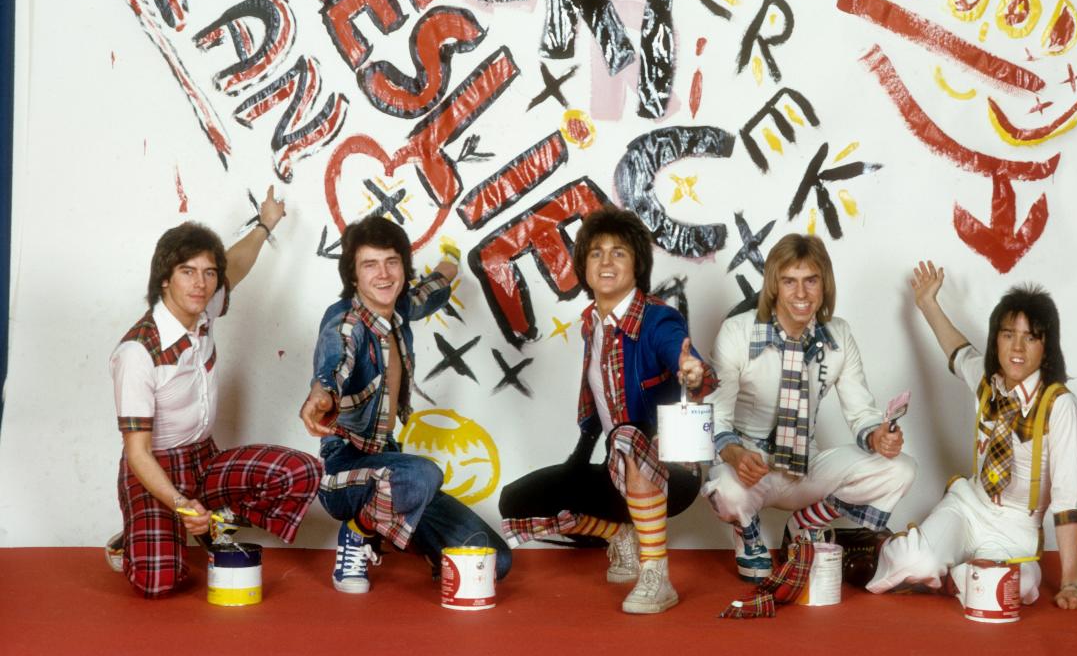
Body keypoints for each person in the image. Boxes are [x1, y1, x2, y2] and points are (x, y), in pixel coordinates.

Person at [108, 188, 323, 598]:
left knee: (301, 471)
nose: (201, 283)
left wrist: (266, 223)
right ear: (165, 279)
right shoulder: (138, 351)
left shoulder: (204, 307)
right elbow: (137, 453)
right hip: (155, 465)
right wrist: (180, 504)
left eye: (208, 273)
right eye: (188, 271)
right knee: (159, 583)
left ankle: (207, 521)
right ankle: (135, 535)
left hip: (203, 457)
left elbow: (237, 264)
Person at [498, 206, 713, 614]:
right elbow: (598, 410)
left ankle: (657, 575)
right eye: (596, 253)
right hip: (618, 468)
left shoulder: (658, 320)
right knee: (517, 501)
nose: (606, 261)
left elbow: (684, 356)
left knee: (630, 436)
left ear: (638, 264)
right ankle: (620, 537)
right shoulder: (593, 324)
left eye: (619, 252)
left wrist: (691, 372)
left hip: (672, 472)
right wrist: (575, 467)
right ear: (583, 266)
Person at [866, 260, 1077, 610]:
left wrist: (1071, 582)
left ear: (1046, 345)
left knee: (1018, 588)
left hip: (1016, 527)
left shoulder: (1058, 405)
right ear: (997, 340)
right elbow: (958, 351)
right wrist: (928, 303)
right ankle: (893, 550)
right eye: (1008, 335)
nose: (1017, 348)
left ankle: (956, 570)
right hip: (970, 505)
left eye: (1030, 337)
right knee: (917, 563)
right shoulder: (987, 380)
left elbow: (1068, 499)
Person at [299, 216, 511, 594]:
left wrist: (450, 260)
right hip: (343, 472)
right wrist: (322, 392)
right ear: (353, 276)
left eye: (391, 262)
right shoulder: (347, 322)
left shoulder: (399, 310)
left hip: (388, 464)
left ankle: (401, 531)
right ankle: (356, 534)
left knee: (493, 559)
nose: (383, 274)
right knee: (421, 475)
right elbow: (335, 357)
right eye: (370, 265)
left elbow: (432, 289)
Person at [702, 233, 916, 583]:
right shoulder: (737, 332)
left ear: (824, 284)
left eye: (810, 281)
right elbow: (716, 416)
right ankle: (747, 533)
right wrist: (737, 455)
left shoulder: (839, 335)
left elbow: (861, 412)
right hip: (749, 468)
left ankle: (805, 523)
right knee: (724, 487)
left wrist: (878, 435)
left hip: (805, 465)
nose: (801, 294)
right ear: (773, 286)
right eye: (789, 281)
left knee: (900, 469)